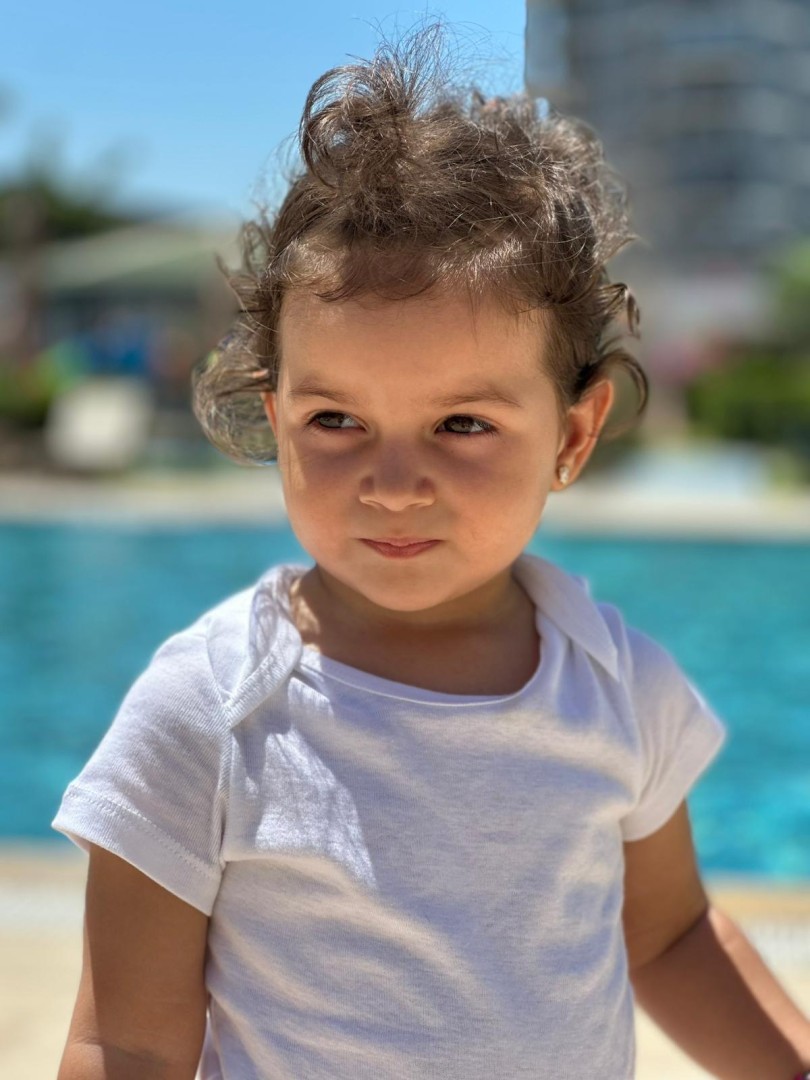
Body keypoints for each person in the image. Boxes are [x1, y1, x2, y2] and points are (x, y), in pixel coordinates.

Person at [53, 27, 810, 1080]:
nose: (394, 483)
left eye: (462, 424)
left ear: (573, 436)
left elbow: (671, 938)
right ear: (276, 419)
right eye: (335, 421)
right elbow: (128, 1041)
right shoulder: (211, 711)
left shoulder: (617, 687)